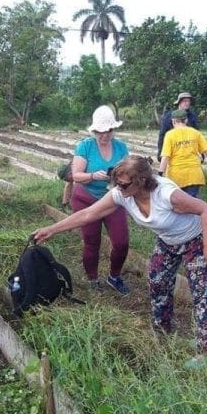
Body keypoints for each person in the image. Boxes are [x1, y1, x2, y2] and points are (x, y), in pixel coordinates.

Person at [33, 156, 207, 369]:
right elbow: (88, 214)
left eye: (123, 184)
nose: (118, 187)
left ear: (141, 180)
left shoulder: (166, 194)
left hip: (196, 239)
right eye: (116, 182)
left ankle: (206, 350)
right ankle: (163, 330)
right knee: (157, 282)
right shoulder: (122, 194)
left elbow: (205, 209)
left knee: (201, 292)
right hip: (168, 240)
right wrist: (51, 229)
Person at [70, 105, 130, 294]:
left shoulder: (121, 147)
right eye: (100, 132)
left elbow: (129, 172)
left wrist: (119, 178)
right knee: (91, 241)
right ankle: (92, 279)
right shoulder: (85, 146)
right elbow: (76, 175)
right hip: (86, 199)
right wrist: (93, 176)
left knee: (121, 242)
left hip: (113, 199)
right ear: (94, 131)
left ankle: (114, 276)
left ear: (114, 130)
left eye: (108, 131)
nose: (104, 136)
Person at [158, 109, 207, 198]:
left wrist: (160, 173)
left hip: (176, 177)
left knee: (179, 206)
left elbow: (166, 156)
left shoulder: (170, 135)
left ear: (173, 121)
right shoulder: (195, 133)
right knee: (193, 205)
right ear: (186, 120)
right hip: (194, 175)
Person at [156, 92, 199, 162]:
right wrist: (160, 152)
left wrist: (201, 152)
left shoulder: (192, 116)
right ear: (179, 102)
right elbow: (162, 134)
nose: (187, 103)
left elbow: (197, 133)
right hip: (173, 147)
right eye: (184, 101)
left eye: (188, 101)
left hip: (188, 148)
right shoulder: (169, 116)